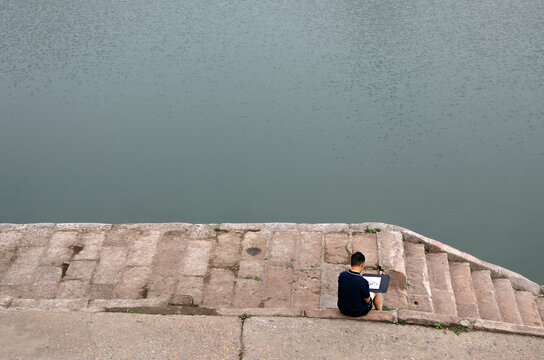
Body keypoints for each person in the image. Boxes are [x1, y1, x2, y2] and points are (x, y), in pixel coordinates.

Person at [337, 251, 383, 316]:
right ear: (362, 265)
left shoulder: (342, 275)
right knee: (375, 292)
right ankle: (380, 313)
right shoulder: (363, 281)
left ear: (351, 263)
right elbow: (367, 300)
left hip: (343, 309)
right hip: (358, 312)